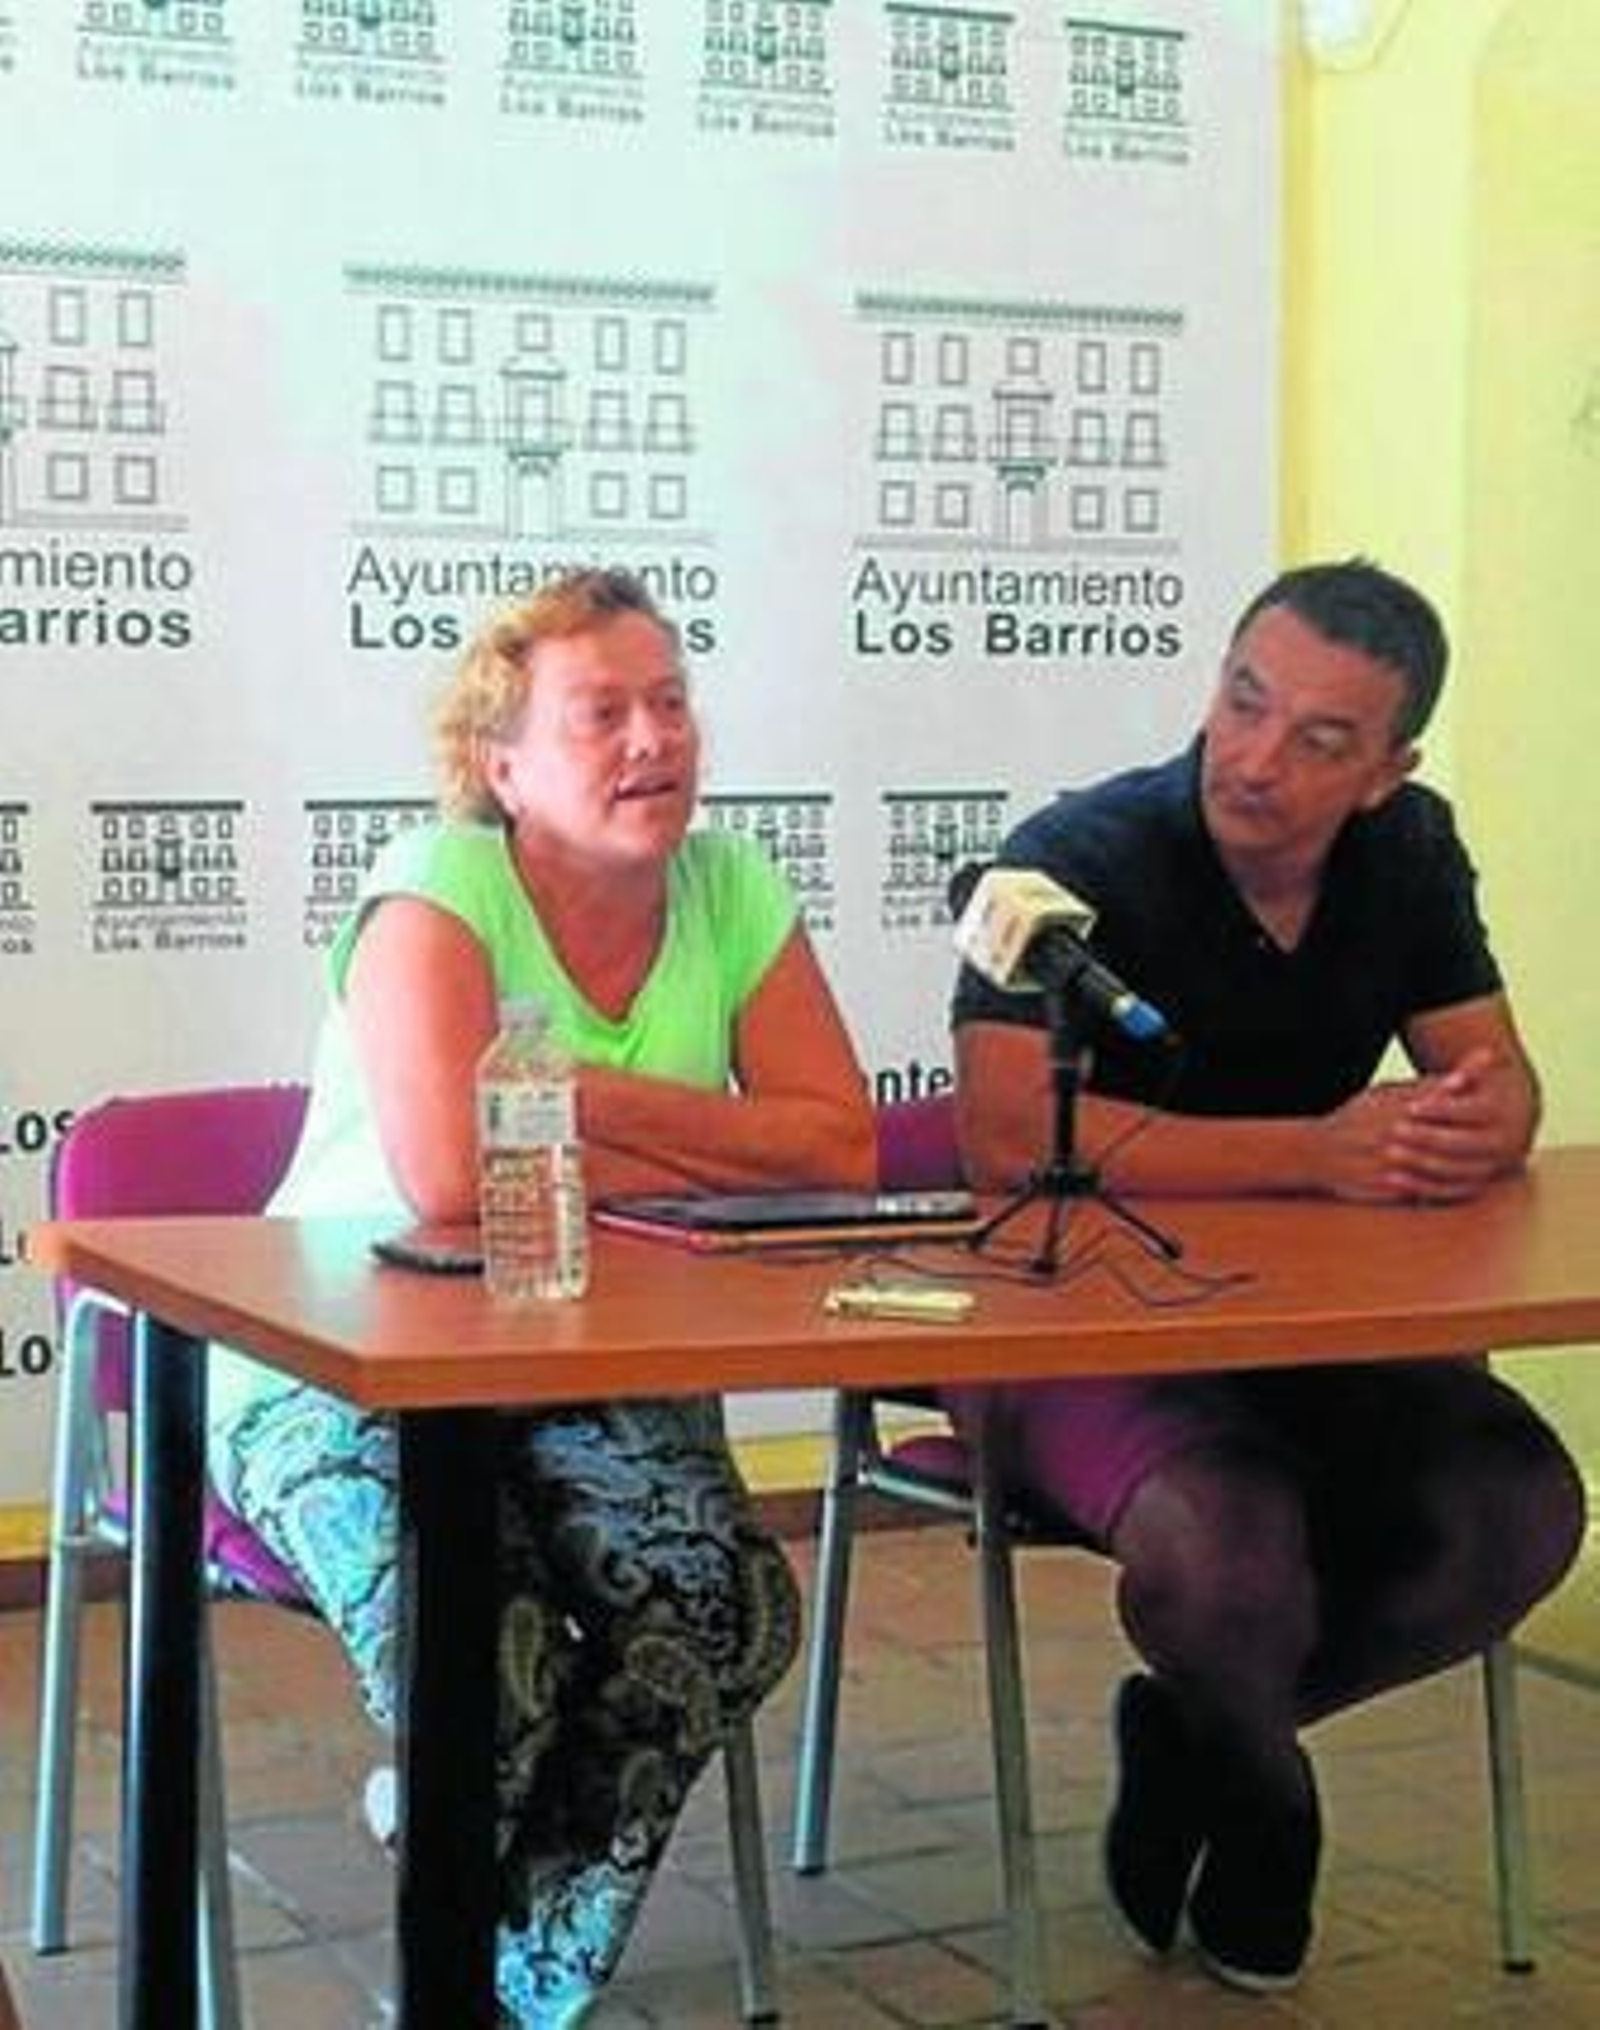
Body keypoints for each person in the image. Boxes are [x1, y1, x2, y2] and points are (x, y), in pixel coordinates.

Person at [207, 566, 876, 2026]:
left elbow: (838, 1148)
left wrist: (575, 1096)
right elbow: (456, 1177)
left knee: (722, 1610)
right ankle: (476, 1942)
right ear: (501, 766)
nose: (655, 739)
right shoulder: (435, 887)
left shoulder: (733, 886)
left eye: (672, 702)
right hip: (338, 1365)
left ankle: (503, 1979)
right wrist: (708, 1137)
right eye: (603, 713)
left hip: (585, 1356)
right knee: (482, 1666)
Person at [946, 557, 1585, 1993]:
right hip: (1078, 1329)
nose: (1255, 757)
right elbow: (1005, 1139)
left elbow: (1495, 1073)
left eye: (1319, 739)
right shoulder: (1071, 861)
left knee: (1519, 1513)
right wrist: (1312, 1152)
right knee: (1227, 1548)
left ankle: (1204, 1737)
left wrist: (1490, 1114)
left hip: (1320, 1323)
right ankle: (1269, 1802)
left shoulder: (1409, 851)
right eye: (1244, 702)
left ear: (1386, 772)